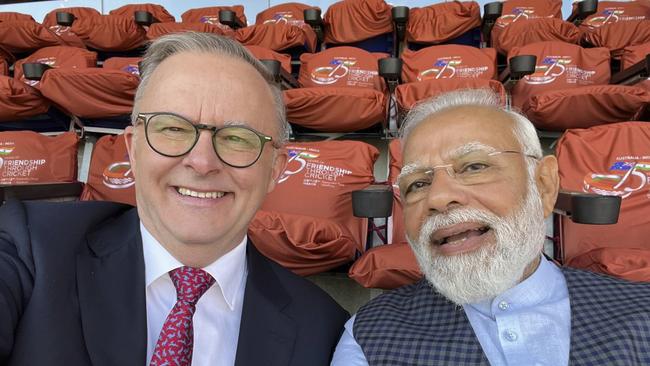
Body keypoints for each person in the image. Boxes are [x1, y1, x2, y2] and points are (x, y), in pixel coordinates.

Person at [0, 32, 348, 366]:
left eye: (238, 138)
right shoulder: (30, 249)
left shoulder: (324, 329)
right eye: (173, 129)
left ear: (274, 168)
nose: (202, 162)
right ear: (133, 150)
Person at [331, 88, 650, 366]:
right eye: (417, 183)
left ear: (543, 185)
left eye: (474, 166)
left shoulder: (642, 315)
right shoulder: (370, 335)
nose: (439, 198)